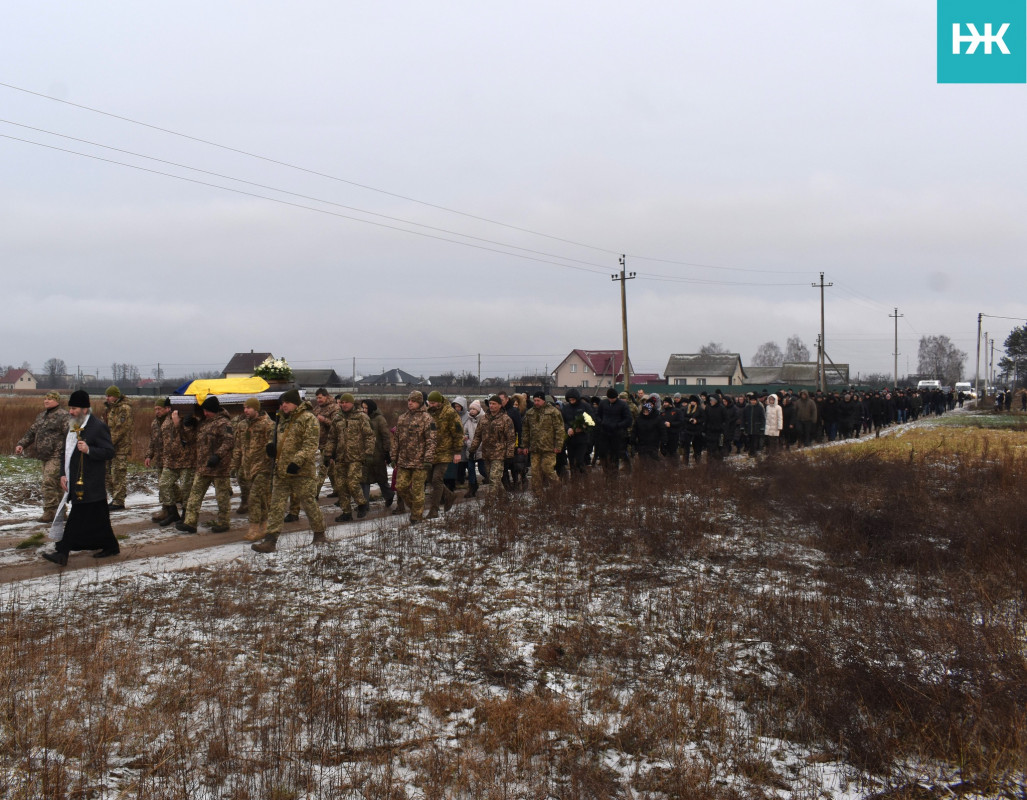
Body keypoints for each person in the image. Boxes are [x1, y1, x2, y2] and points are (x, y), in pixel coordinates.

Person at [43, 390, 118, 565]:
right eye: (70, 408)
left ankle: (62, 552)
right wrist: (63, 473)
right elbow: (66, 452)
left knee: (76, 517)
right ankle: (111, 546)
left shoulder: (97, 426)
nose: (71, 411)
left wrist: (89, 450)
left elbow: (109, 452)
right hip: (75, 479)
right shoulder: (74, 425)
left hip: (90, 482)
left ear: (85, 409)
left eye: (74, 408)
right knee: (100, 517)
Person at [252, 389, 327, 552]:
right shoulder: (281, 420)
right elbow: (275, 440)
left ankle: (320, 534)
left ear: (295, 403)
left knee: (309, 503)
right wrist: (270, 448)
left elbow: (310, 444)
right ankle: (270, 541)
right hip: (281, 471)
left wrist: (297, 461)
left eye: (286, 402)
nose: (283, 405)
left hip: (302, 472)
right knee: (276, 506)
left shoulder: (308, 419)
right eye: (282, 403)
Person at [176, 395, 235, 534]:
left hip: (219, 467)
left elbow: (229, 442)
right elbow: (191, 439)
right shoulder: (203, 422)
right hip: (203, 466)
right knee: (194, 494)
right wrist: (188, 426)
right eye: (204, 410)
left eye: (207, 411)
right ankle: (190, 522)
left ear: (214, 410)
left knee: (222, 497)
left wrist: (217, 456)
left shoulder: (224, 423)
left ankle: (223, 522)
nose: (205, 413)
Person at [15, 390, 69, 523]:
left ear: (57, 400)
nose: (46, 401)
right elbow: (31, 432)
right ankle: (60, 512)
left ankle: (50, 512)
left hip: (57, 455)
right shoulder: (41, 416)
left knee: (49, 483)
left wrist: (68, 453)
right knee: (55, 485)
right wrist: (21, 444)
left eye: (50, 399)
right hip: (44, 456)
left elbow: (70, 435)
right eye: (45, 399)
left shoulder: (64, 416)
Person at [324, 393, 374, 521]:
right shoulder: (337, 418)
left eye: (346, 402)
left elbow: (369, 436)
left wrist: (368, 453)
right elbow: (332, 438)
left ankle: (362, 503)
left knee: (352, 483)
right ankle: (346, 512)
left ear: (352, 403)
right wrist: (328, 454)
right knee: (341, 486)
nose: (343, 404)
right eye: (342, 402)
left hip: (356, 457)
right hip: (340, 457)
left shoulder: (361, 417)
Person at [390, 391, 437, 523]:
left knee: (417, 490)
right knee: (401, 487)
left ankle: (416, 516)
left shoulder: (428, 419)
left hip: (420, 462)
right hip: (404, 461)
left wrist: (428, 459)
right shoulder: (402, 418)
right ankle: (415, 508)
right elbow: (397, 439)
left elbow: (431, 441)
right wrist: (393, 457)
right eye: (409, 400)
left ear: (420, 402)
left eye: (414, 401)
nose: (410, 403)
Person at [154, 403, 199, 527]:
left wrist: (178, 424)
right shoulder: (165, 421)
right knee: (164, 484)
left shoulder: (188, 419)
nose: (168, 410)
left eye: (170, 407)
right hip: (170, 461)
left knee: (186, 489)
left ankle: (186, 515)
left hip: (186, 461)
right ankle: (173, 513)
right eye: (167, 408)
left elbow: (190, 438)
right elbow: (162, 440)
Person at [239, 398, 274, 542]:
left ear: (256, 409)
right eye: (244, 407)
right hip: (248, 467)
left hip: (263, 467)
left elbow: (272, 446)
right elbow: (239, 446)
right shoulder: (242, 425)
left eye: (249, 408)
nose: (246, 410)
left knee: (253, 498)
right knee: (261, 498)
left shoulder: (268, 424)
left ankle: (253, 528)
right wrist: (236, 464)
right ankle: (265, 526)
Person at [425, 391, 463, 518]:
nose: (432, 405)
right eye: (430, 403)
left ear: (440, 401)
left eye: (434, 403)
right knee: (430, 479)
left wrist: (457, 451)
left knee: (437, 479)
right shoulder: (428, 412)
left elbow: (458, 433)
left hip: (445, 451)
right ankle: (449, 495)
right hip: (431, 451)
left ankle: (434, 510)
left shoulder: (450, 413)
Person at [469, 395, 516, 494]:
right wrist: (472, 450)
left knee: (494, 479)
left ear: (499, 405)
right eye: (490, 403)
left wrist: (510, 454)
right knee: (493, 479)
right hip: (486, 454)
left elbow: (511, 438)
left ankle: (490, 503)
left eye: (494, 404)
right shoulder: (484, 419)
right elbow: (478, 436)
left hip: (499, 454)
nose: (491, 406)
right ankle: (505, 499)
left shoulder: (506, 419)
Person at [521, 391, 565, 492]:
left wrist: (558, 445)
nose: (536, 402)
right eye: (535, 400)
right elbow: (526, 430)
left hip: (549, 447)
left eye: (538, 400)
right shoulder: (530, 413)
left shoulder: (553, 412)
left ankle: (558, 488)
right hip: (535, 448)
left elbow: (559, 429)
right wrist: (525, 445)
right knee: (535, 473)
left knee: (547, 469)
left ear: (543, 400)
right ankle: (538, 495)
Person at [102, 385, 133, 510]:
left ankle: (119, 501)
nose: (107, 398)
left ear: (116, 396)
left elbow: (120, 429)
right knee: (106, 473)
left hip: (120, 447)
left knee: (118, 473)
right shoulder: (109, 409)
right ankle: (116, 496)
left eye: (109, 396)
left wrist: (108, 443)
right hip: (109, 446)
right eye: (107, 396)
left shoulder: (124, 409)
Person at [361, 399, 394, 508]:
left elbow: (386, 437)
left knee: (381, 479)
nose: (364, 410)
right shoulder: (362, 418)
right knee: (364, 479)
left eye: (366, 408)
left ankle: (389, 495)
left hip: (378, 455)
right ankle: (364, 504)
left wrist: (386, 452)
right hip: (365, 454)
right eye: (363, 408)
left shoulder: (379, 419)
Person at [144, 399, 170, 521]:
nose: (157, 411)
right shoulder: (154, 423)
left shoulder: (171, 421)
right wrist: (149, 456)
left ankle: (175, 508)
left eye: (159, 409)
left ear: (166, 409)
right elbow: (152, 441)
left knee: (169, 485)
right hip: (160, 459)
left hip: (171, 460)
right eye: (155, 409)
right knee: (162, 485)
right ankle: (166, 509)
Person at [595, 388, 632, 473]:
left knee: (615, 455)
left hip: (617, 434)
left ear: (616, 397)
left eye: (613, 398)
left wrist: (617, 425)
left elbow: (628, 420)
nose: (611, 400)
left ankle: (614, 473)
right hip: (604, 433)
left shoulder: (623, 405)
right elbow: (597, 415)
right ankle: (606, 471)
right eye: (609, 398)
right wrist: (601, 422)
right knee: (603, 453)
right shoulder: (603, 403)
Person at [560, 388, 593, 475]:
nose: (571, 401)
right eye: (570, 400)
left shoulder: (585, 407)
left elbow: (592, 420)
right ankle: (574, 480)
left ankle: (584, 477)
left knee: (579, 460)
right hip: (570, 439)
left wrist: (583, 427)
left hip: (582, 439)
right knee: (571, 461)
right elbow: (562, 421)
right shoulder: (566, 408)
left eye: (573, 399)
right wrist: (568, 429)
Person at [463, 399, 486, 496]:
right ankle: (472, 487)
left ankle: (495, 481)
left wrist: (479, 446)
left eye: (474, 409)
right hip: (470, 450)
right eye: (470, 409)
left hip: (481, 450)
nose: (472, 411)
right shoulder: (468, 421)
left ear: (478, 410)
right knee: (471, 469)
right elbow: (465, 434)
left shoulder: (484, 420)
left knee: (482, 469)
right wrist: (469, 444)